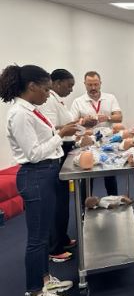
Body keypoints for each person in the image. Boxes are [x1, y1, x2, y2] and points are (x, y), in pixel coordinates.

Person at [1, 64, 78, 296]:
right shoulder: (20, 114)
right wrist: (61, 134)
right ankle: (34, 294)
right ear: (31, 87)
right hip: (36, 174)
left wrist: (60, 132)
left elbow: (43, 139)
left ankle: (44, 280)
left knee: (44, 233)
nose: (48, 94)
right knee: (36, 238)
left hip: (45, 172)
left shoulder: (30, 110)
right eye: (45, 89)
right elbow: (33, 154)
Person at [39, 69, 77, 263]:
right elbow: (52, 131)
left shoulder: (58, 100)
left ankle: (61, 237)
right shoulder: (49, 102)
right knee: (58, 203)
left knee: (63, 200)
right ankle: (55, 247)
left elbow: (62, 127)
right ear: (57, 82)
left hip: (62, 149)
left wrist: (77, 124)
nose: (71, 89)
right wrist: (67, 130)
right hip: (53, 153)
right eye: (69, 85)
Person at [70, 71, 122, 196]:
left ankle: (114, 201)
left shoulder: (110, 98)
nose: (93, 88)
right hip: (88, 143)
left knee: (110, 174)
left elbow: (119, 117)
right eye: (89, 85)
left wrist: (107, 118)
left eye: (95, 84)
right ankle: (84, 209)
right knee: (87, 176)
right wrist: (84, 121)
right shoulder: (78, 101)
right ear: (84, 84)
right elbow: (71, 123)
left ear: (100, 83)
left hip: (107, 142)